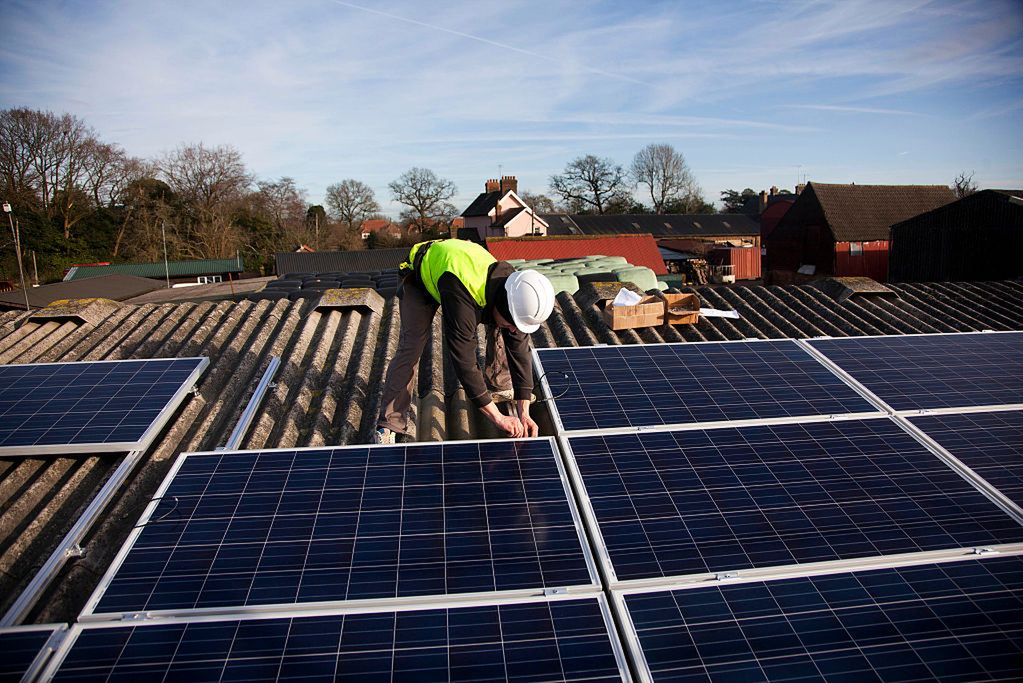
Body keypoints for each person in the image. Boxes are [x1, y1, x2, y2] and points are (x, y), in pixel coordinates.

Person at [375, 238, 555, 444]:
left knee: (505, 329)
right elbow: (464, 361)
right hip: (421, 274)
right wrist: (497, 418)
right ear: (502, 305)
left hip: (460, 269)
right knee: (412, 345)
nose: (516, 328)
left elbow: (519, 348)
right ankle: (389, 423)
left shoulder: (517, 293)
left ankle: (499, 384)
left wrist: (524, 411)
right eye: (513, 322)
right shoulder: (462, 296)